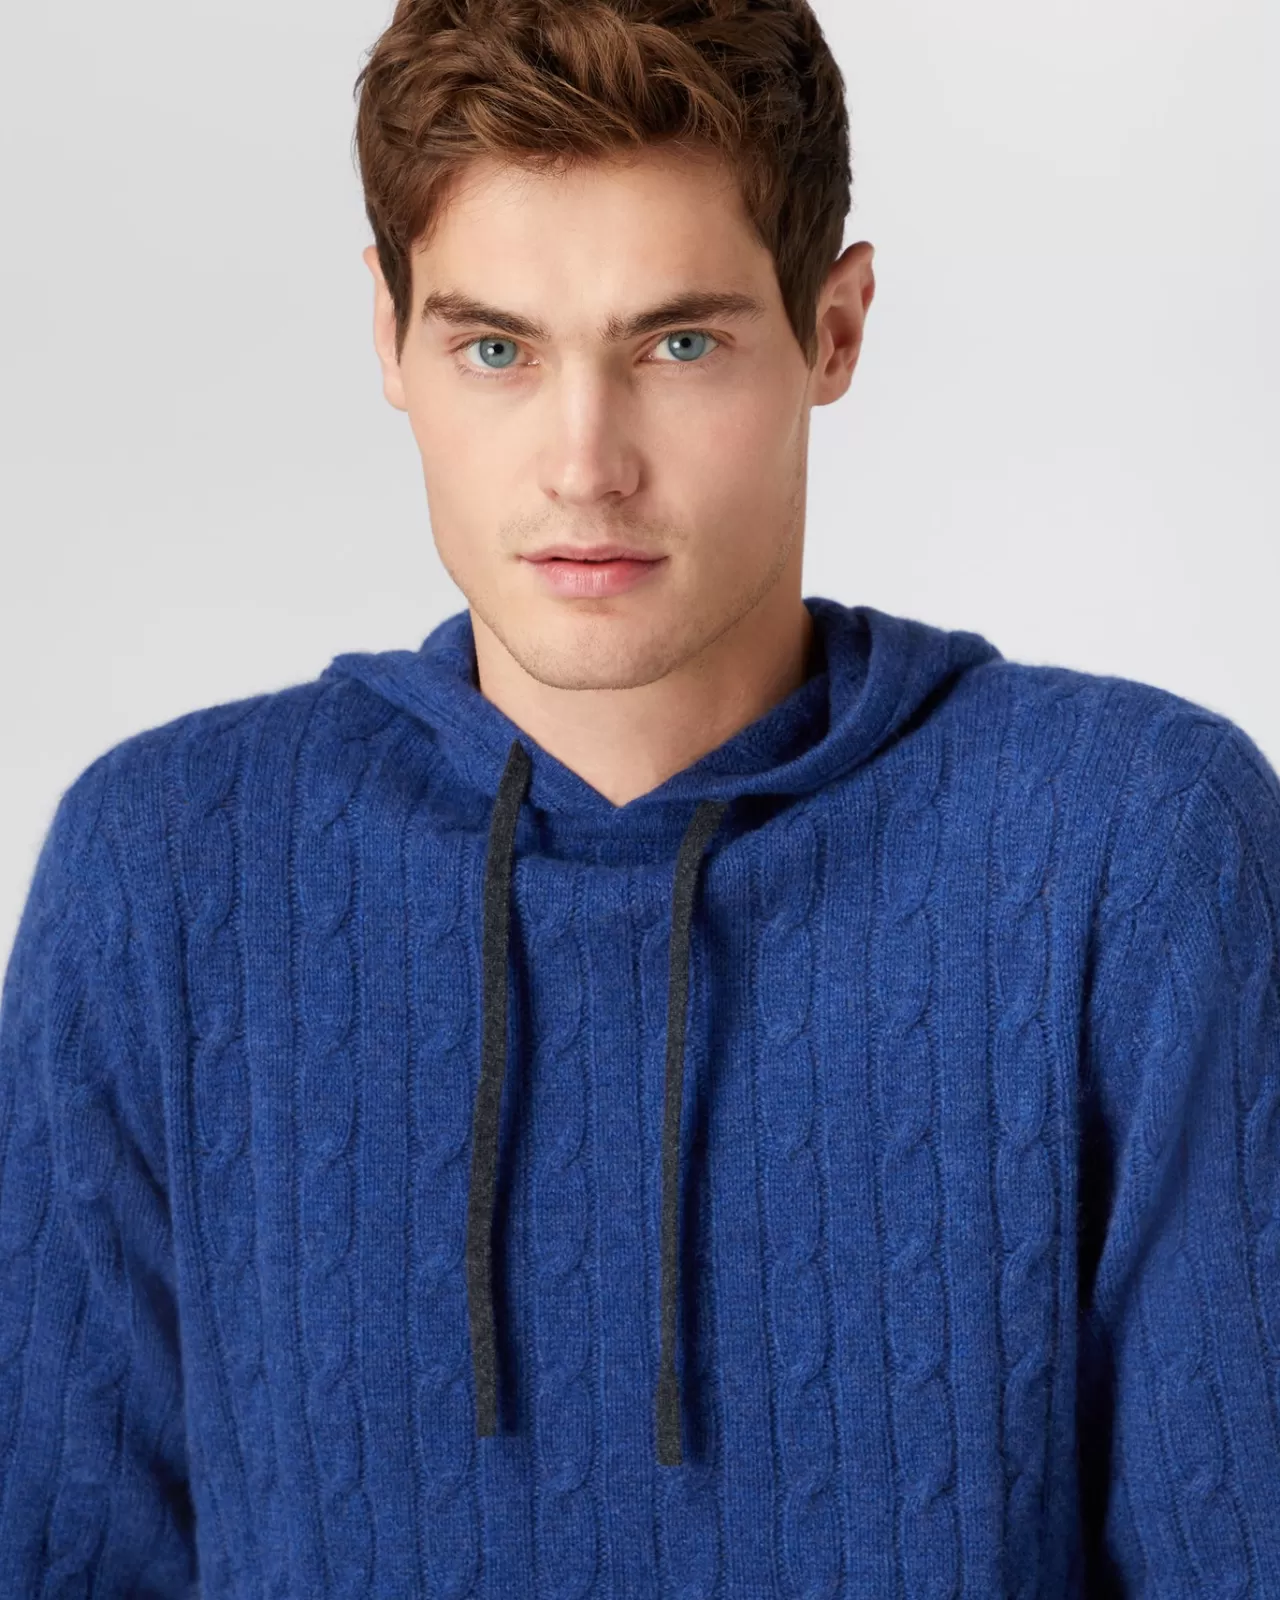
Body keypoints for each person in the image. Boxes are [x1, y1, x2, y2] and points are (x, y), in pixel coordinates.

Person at [1, 0, 1277, 1593]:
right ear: (387, 337)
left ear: (835, 329)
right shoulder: (166, 879)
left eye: (678, 345)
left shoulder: (1128, 853)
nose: (585, 464)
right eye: (496, 349)